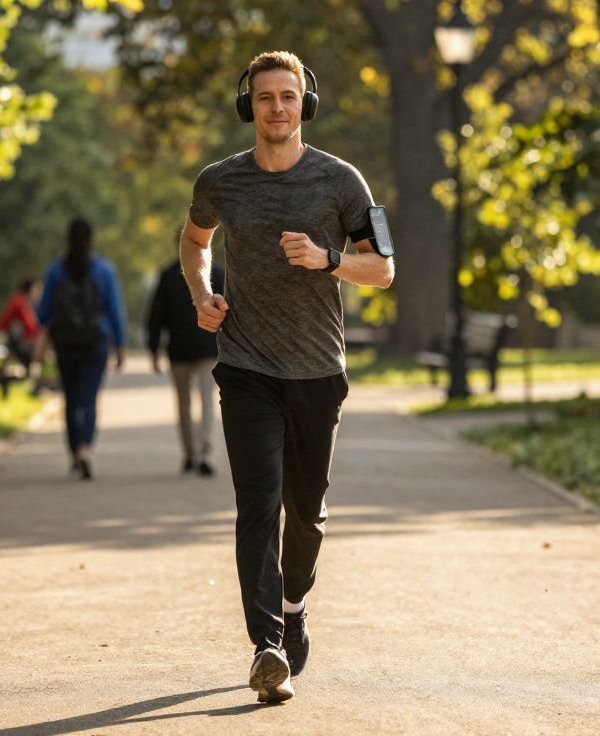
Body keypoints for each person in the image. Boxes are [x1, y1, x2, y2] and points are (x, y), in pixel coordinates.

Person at [179, 51, 394, 703]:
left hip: (317, 371)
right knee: (257, 503)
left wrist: (329, 260)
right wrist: (202, 292)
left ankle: (295, 604)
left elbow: (382, 269)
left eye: (288, 96)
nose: (277, 107)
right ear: (250, 105)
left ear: (306, 104)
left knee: (305, 512)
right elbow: (193, 242)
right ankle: (266, 645)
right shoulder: (220, 182)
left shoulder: (341, 181)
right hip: (245, 367)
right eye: (266, 96)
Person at [33, 219, 127, 481]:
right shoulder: (104, 270)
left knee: (71, 399)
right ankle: (86, 447)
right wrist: (119, 346)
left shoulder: (55, 270)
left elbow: (43, 315)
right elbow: (115, 311)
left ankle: (74, 452)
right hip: (95, 342)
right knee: (89, 398)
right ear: (91, 238)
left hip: (65, 343)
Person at [145, 256, 225, 477]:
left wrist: (154, 349)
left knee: (183, 402)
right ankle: (206, 451)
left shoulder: (169, 274)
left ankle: (190, 453)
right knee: (208, 400)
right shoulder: (217, 273)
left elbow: (156, 313)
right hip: (208, 347)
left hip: (178, 349)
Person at [0, 277, 40, 372]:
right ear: (29, 289)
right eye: (36, 289)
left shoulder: (19, 301)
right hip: (13, 343)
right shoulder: (19, 303)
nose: (38, 292)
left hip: (13, 342)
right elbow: (30, 326)